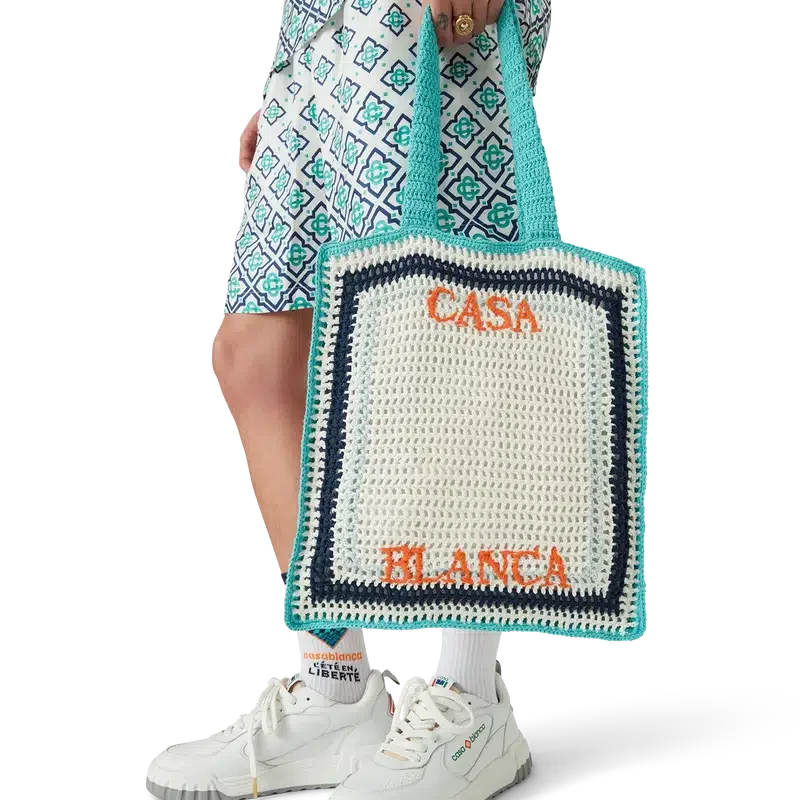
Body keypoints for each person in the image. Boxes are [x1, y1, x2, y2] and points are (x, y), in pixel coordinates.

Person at [145, 1, 552, 798]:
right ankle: (335, 692)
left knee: (445, 341)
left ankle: (470, 704)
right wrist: (287, 70)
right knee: (260, 352)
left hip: (423, 25)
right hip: (321, 33)